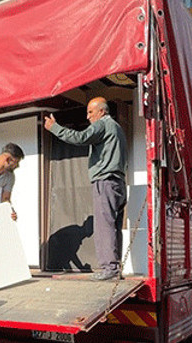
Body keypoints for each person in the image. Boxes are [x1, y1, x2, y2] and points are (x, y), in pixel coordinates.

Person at [44, 97, 127, 281]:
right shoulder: (117, 128)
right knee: (114, 226)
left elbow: (80, 138)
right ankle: (115, 267)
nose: (88, 117)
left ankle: (109, 269)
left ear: (102, 112)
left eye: (90, 112)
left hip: (105, 181)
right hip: (118, 182)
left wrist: (55, 128)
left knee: (104, 226)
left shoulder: (103, 124)